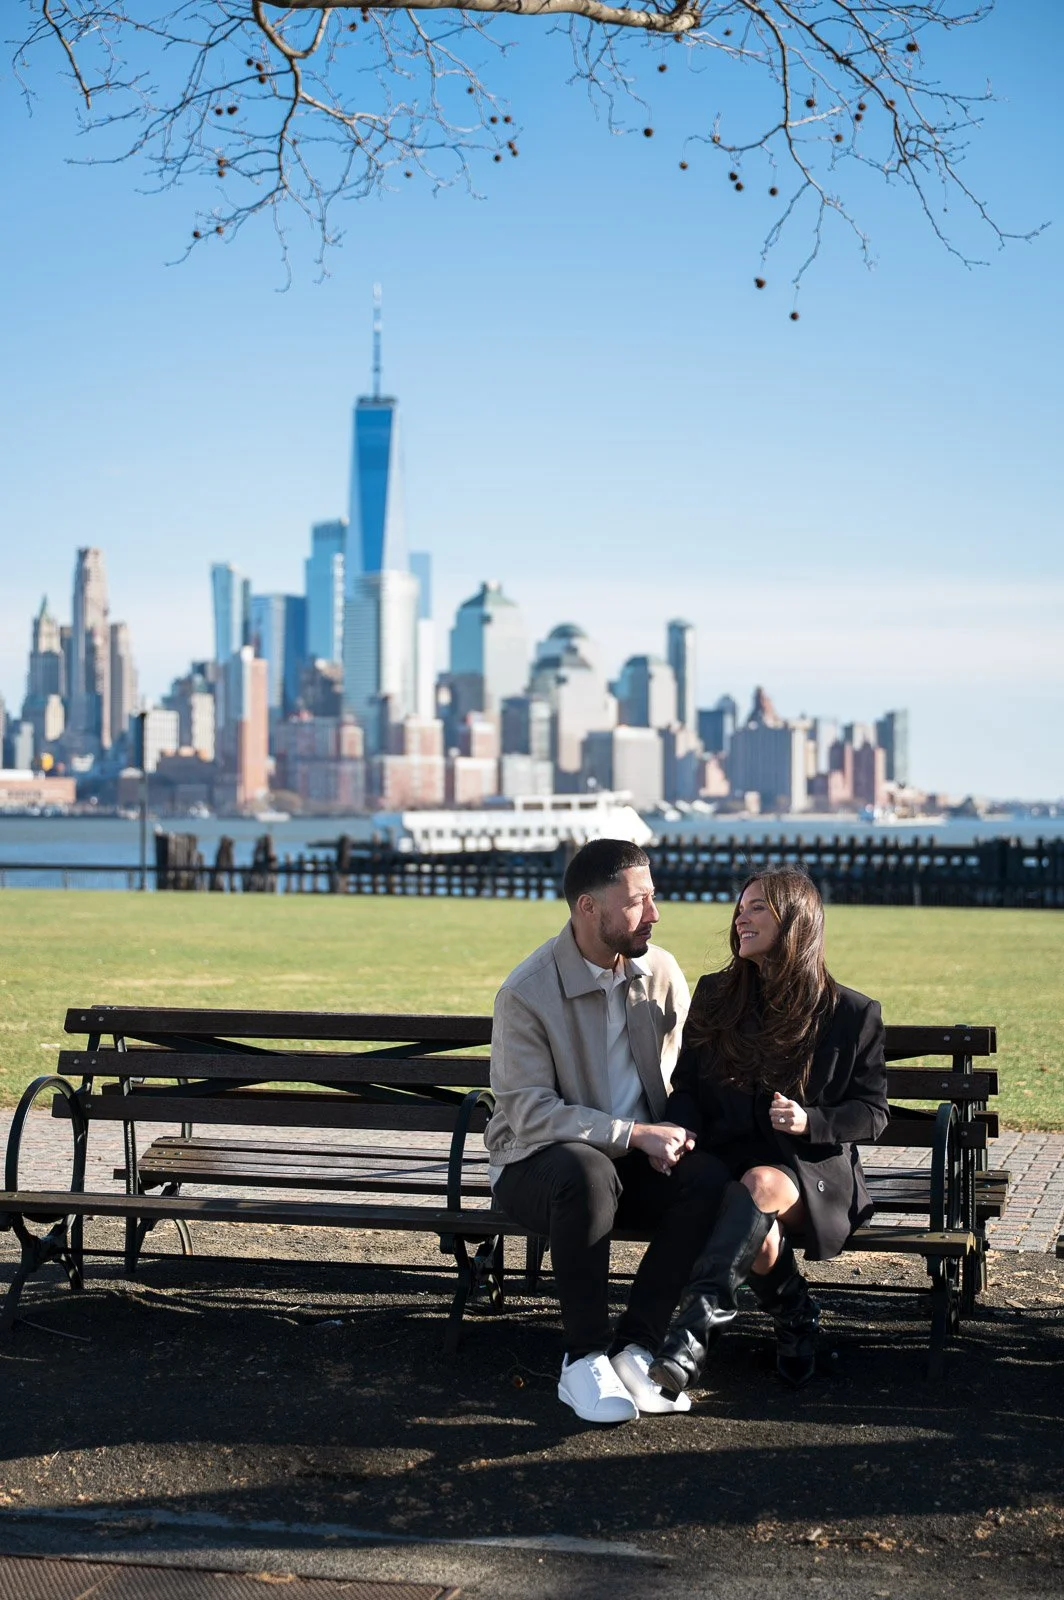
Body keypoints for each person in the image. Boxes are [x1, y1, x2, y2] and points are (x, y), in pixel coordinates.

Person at [487, 838, 728, 1425]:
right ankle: (583, 1359)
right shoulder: (527, 991)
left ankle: (637, 1350)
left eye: (654, 897)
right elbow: (529, 1112)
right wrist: (633, 1135)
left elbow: (688, 1074)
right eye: (638, 901)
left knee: (710, 1180)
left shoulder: (661, 971)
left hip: (631, 1162)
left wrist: (674, 1133)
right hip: (535, 1165)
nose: (654, 913)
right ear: (587, 908)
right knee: (586, 1171)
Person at [648, 866, 888, 1397]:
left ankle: (688, 1338)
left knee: (758, 1186)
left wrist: (811, 1121)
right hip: (723, 1161)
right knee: (748, 1213)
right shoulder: (715, 995)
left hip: (809, 1169)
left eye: (758, 907)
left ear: (796, 921)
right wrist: (679, 1129)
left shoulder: (850, 1013)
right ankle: (796, 1315)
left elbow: (872, 1112)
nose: (741, 918)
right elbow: (686, 1086)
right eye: (740, 907)